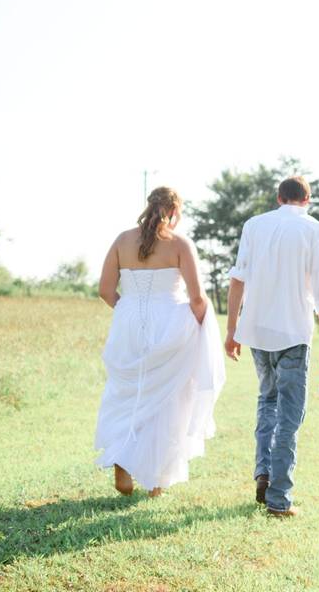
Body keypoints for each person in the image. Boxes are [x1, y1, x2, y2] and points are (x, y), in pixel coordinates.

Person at [225, 175, 319, 517]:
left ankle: (263, 471)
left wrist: (232, 330)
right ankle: (279, 496)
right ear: (308, 200)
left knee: (268, 400)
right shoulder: (315, 230)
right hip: (293, 331)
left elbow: (237, 278)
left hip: (258, 330)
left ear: (279, 197)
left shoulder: (254, 225)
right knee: (290, 414)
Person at [94, 187, 226, 497]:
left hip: (128, 323)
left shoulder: (122, 240)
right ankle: (156, 481)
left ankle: (123, 463)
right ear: (175, 211)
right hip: (170, 322)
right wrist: (199, 327)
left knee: (127, 392)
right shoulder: (180, 244)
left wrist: (128, 310)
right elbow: (196, 297)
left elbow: (104, 289)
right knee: (170, 397)